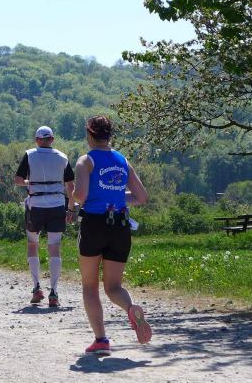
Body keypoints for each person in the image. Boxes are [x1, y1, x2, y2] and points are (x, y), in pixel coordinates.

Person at [73, 115, 151, 355]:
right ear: (109, 135)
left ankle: (101, 340)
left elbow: (81, 195)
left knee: (90, 286)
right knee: (113, 286)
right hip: (120, 226)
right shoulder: (122, 160)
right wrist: (115, 196)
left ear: (89, 134)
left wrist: (72, 193)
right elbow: (141, 197)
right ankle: (130, 308)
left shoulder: (85, 161)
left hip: (94, 224)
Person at [14, 126, 75, 307]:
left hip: (36, 205)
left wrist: (30, 182)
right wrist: (71, 208)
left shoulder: (29, 155)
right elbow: (70, 186)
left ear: (37, 140)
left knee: (32, 244)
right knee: (54, 247)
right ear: (52, 139)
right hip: (57, 204)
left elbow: (18, 180)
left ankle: (36, 287)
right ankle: (54, 292)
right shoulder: (62, 157)